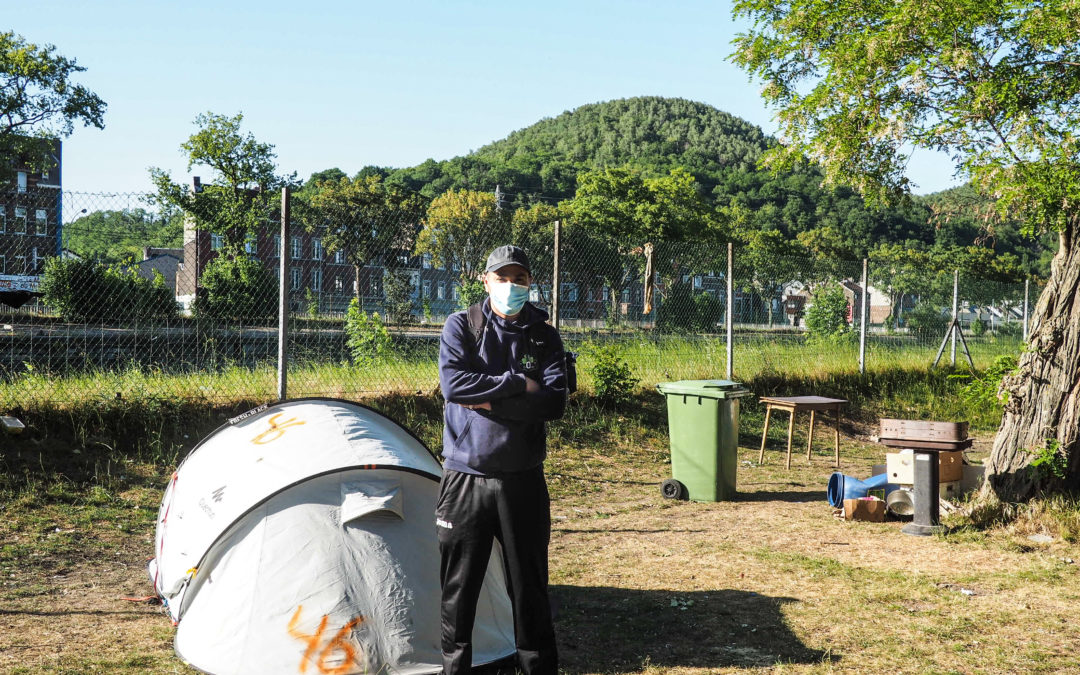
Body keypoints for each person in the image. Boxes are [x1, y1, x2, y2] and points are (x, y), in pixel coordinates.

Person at [436, 244, 567, 675]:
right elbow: (455, 387)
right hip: (465, 479)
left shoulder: (544, 334)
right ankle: (456, 669)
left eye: (520, 279)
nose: (512, 286)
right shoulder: (462, 326)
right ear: (486, 280)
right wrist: (517, 384)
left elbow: (552, 403)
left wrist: (490, 401)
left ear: (531, 283)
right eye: (503, 277)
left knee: (529, 588)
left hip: (522, 480)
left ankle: (537, 668)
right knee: (459, 590)